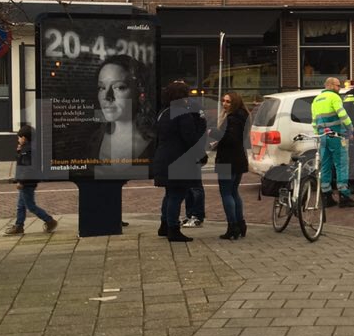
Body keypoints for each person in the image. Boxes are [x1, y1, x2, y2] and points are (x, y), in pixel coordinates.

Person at [152, 81, 208, 242]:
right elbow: (190, 138)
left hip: (163, 157)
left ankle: (164, 225)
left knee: (170, 194)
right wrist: (201, 126)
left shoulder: (163, 112)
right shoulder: (182, 113)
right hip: (178, 160)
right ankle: (173, 229)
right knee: (177, 195)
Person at [91, 55, 154, 163]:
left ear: (140, 93)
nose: (107, 96)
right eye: (101, 88)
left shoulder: (155, 145)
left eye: (119, 87)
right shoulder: (95, 139)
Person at [312, 76, 354, 208]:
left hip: (323, 137)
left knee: (325, 165)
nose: (340, 88)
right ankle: (344, 195)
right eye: (338, 86)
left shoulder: (316, 100)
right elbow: (342, 114)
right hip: (336, 136)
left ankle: (327, 196)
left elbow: (314, 120)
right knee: (341, 164)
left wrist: (318, 134)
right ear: (331, 85)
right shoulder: (334, 97)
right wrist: (350, 128)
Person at [5, 124, 58, 235]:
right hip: (29, 181)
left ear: (24, 138)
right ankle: (19, 226)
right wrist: (19, 152)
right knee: (21, 205)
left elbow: (26, 168)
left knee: (30, 206)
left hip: (27, 182)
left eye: (19, 137)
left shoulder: (27, 150)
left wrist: (21, 181)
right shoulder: (28, 148)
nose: (18, 139)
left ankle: (49, 220)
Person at [211, 91, 249, 241]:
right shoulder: (243, 117)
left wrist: (213, 133)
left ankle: (232, 226)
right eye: (223, 101)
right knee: (234, 192)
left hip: (227, 160)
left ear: (235, 103)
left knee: (226, 193)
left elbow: (230, 138)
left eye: (228, 102)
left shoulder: (232, 119)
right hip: (238, 158)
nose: (224, 104)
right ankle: (240, 224)